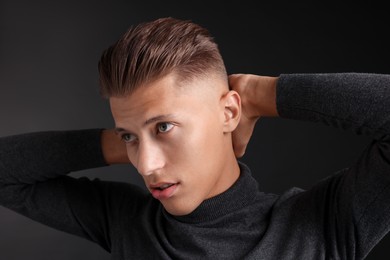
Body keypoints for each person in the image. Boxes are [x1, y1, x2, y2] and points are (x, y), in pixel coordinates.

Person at [0, 16, 389, 260]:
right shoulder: (126, 222)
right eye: (129, 138)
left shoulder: (323, 225)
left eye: (164, 127)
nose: (147, 167)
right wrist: (130, 138)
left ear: (229, 113)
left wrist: (260, 93)